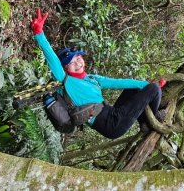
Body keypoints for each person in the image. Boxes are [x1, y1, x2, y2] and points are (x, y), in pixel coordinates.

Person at [30, 9, 166, 139]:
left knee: (139, 88)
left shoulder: (92, 79)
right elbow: (51, 57)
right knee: (154, 89)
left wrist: (146, 84)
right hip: (111, 125)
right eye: (72, 63)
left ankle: (145, 122)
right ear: (65, 68)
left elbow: (118, 82)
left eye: (78, 58)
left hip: (112, 112)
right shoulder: (64, 80)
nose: (78, 63)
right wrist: (39, 33)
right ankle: (152, 120)